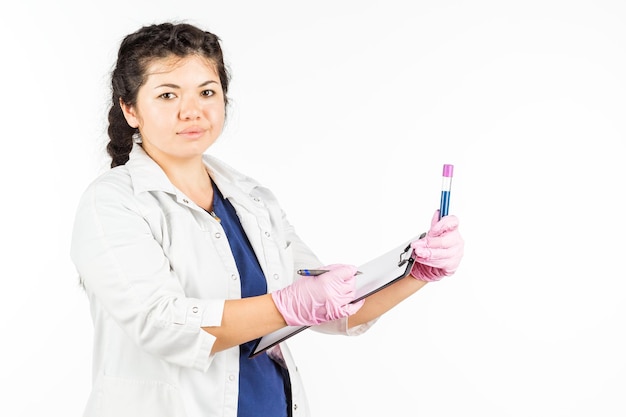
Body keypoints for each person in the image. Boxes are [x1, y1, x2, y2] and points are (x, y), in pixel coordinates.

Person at [70, 22, 464, 417]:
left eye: (207, 92)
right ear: (130, 109)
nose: (192, 111)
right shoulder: (111, 203)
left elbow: (331, 305)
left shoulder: (250, 199)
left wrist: (416, 270)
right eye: (167, 94)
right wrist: (287, 305)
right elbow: (160, 323)